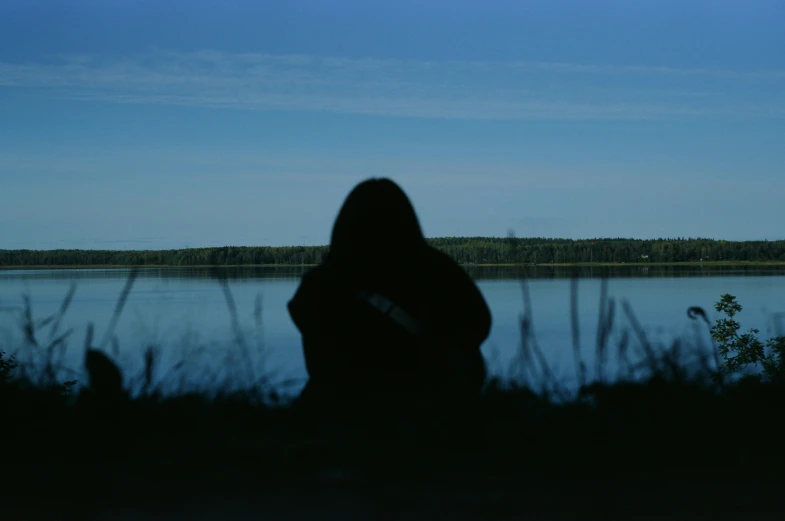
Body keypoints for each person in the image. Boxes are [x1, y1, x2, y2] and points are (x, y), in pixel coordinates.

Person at [288, 178, 491, 413]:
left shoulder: (319, 284)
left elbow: (314, 349)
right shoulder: (437, 271)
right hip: (432, 407)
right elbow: (479, 324)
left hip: (341, 410)